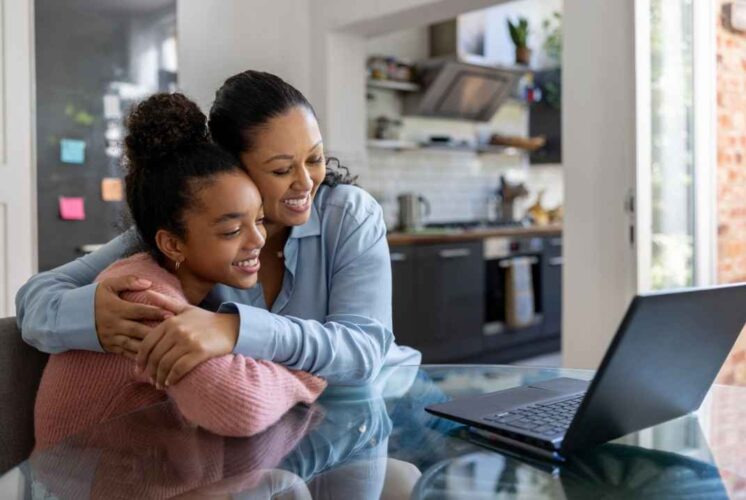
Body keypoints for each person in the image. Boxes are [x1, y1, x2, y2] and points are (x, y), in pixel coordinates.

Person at [16, 70, 420, 387]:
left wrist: (233, 329)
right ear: (234, 168)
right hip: (285, 427)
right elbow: (35, 297)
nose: (306, 182)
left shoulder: (347, 215)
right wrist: (93, 318)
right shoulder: (190, 232)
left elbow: (363, 351)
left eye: (314, 158)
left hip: (387, 402)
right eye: (281, 169)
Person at [33, 93, 326, 449]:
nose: (257, 240)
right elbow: (240, 407)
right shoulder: (143, 298)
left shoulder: (177, 282)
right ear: (172, 244)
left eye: (260, 221)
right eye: (232, 230)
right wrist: (306, 376)